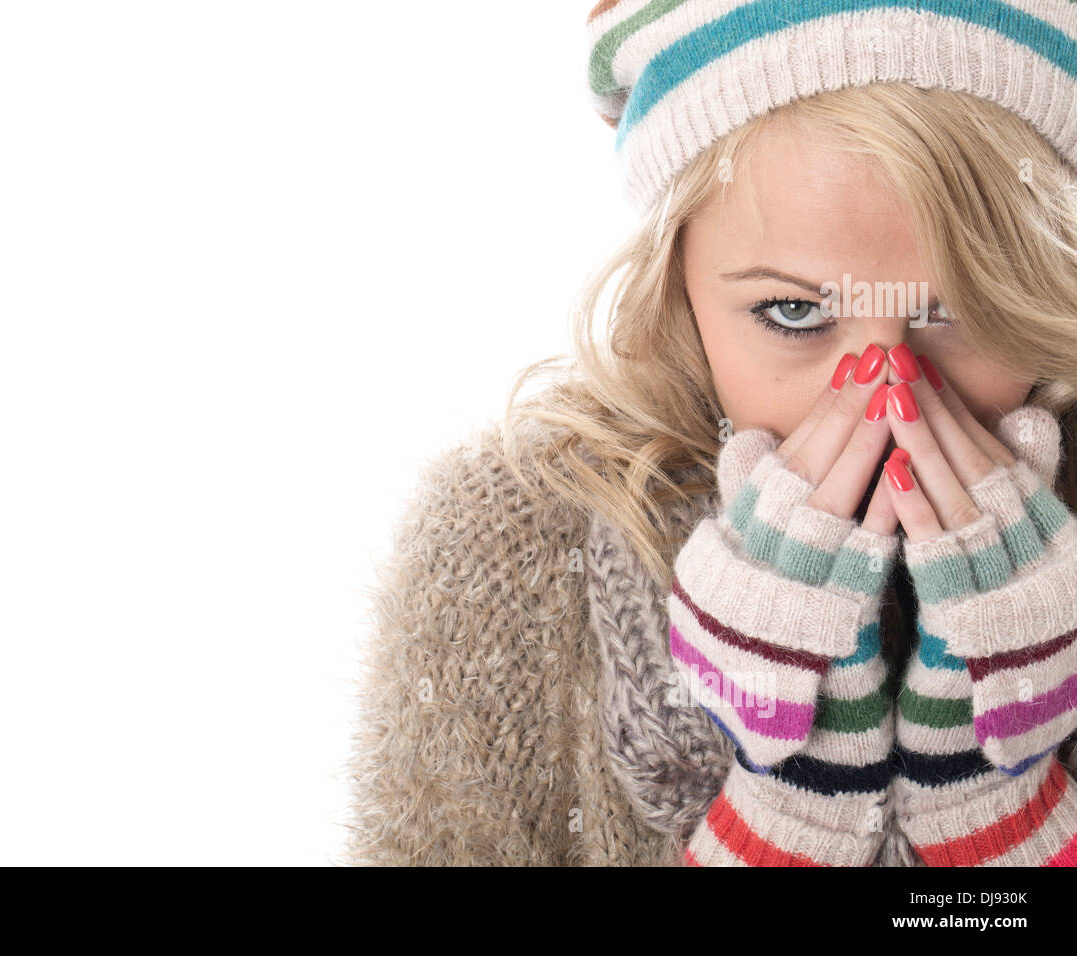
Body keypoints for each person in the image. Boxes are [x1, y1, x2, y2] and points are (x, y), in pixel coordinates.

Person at [341, 0, 1077, 866]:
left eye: (956, 307)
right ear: (676, 280)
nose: (887, 396)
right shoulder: (511, 537)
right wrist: (794, 813)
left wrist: (997, 800)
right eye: (793, 310)